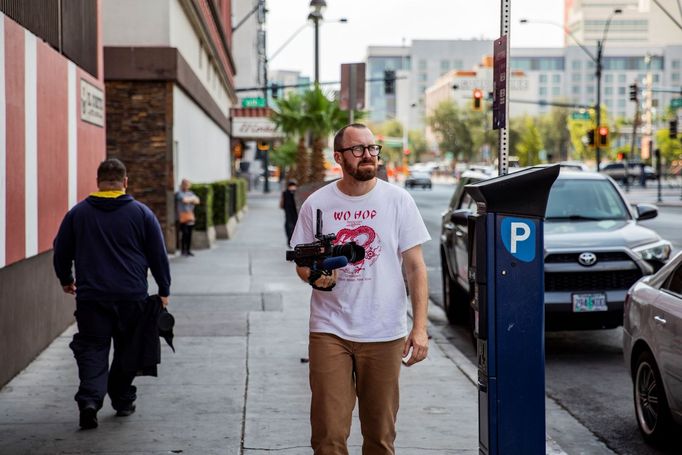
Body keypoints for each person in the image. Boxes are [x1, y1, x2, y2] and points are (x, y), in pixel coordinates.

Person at [290, 123, 431, 454]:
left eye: (372, 148)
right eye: (358, 149)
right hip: (330, 330)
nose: (368, 155)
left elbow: (416, 267)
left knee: (380, 436)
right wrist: (315, 277)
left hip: (384, 332)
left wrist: (420, 328)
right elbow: (301, 261)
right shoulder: (317, 204)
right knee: (327, 436)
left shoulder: (398, 200)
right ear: (338, 157)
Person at [53, 158, 171, 430]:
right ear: (125, 181)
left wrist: (66, 279)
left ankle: (90, 401)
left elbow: (61, 250)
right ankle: (122, 399)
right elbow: (158, 255)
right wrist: (164, 289)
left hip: (92, 298)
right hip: (131, 296)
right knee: (128, 350)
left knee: (93, 348)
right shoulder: (142, 214)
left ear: (98, 182)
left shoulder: (78, 213)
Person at [176, 179, 200, 256]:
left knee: (189, 233)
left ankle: (188, 250)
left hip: (190, 215)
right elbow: (184, 200)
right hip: (183, 216)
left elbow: (197, 201)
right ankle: (183, 250)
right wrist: (192, 199)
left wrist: (191, 199)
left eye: (187, 184)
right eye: (185, 184)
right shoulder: (179, 193)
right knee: (184, 233)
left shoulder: (190, 193)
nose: (186, 186)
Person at [280, 178, 299, 244]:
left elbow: (281, 205)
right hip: (292, 215)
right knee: (292, 227)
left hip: (290, 215)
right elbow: (281, 205)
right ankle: (291, 241)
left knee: (289, 227)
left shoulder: (285, 193)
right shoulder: (296, 193)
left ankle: (290, 241)